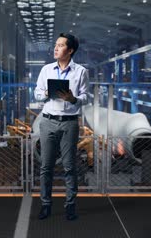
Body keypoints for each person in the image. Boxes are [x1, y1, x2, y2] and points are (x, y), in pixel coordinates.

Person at [34, 33, 89, 221]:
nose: (55, 48)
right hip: (48, 120)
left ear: (70, 50)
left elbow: (85, 97)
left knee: (69, 167)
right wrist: (47, 94)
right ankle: (46, 205)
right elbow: (37, 93)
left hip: (70, 122)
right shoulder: (46, 70)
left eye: (60, 45)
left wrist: (72, 98)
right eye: (55, 45)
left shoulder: (80, 71)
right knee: (46, 167)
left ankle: (70, 206)